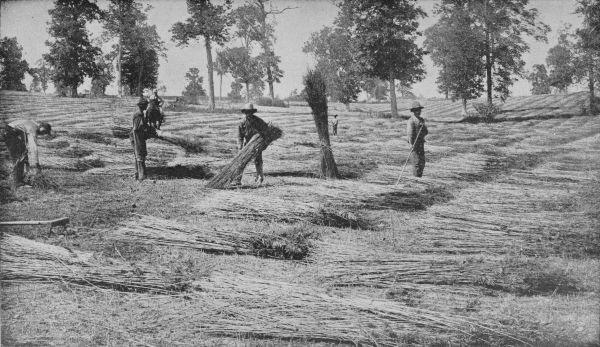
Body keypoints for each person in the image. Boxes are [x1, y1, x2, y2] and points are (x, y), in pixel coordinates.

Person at [4, 119, 52, 187]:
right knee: (20, 157)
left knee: (24, 154)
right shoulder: (33, 129)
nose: (43, 134)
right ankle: (17, 182)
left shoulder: (33, 124)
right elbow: (33, 147)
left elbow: (26, 141)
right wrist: (36, 164)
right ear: (42, 127)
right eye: (44, 132)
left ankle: (22, 178)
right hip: (10, 132)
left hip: (11, 131)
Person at [235, 103, 270, 185]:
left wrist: (263, 143)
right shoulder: (242, 123)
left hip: (257, 144)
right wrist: (240, 148)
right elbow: (239, 136)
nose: (249, 114)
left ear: (252, 112)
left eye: (250, 112)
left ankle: (260, 177)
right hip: (247, 145)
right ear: (245, 113)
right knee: (241, 161)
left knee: (258, 160)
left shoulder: (259, 121)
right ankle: (237, 179)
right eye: (247, 112)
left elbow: (267, 131)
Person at [131, 98, 154, 181]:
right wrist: (146, 131)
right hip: (137, 137)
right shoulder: (138, 114)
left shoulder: (140, 114)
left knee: (138, 156)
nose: (147, 107)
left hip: (138, 136)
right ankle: (142, 177)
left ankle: (136, 175)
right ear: (142, 106)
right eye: (146, 105)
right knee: (140, 155)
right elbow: (136, 128)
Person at [406, 101, 428, 177]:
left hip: (421, 145)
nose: (418, 112)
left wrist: (422, 130)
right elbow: (410, 134)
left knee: (422, 162)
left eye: (419, 110)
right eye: (416, 110)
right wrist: (411, 144)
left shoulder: (421, 120)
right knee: (416, 163)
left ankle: (419, 177)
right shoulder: (411, 121)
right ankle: (416, 180)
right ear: (413, 111)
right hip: (414, 145)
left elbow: (426, 132)